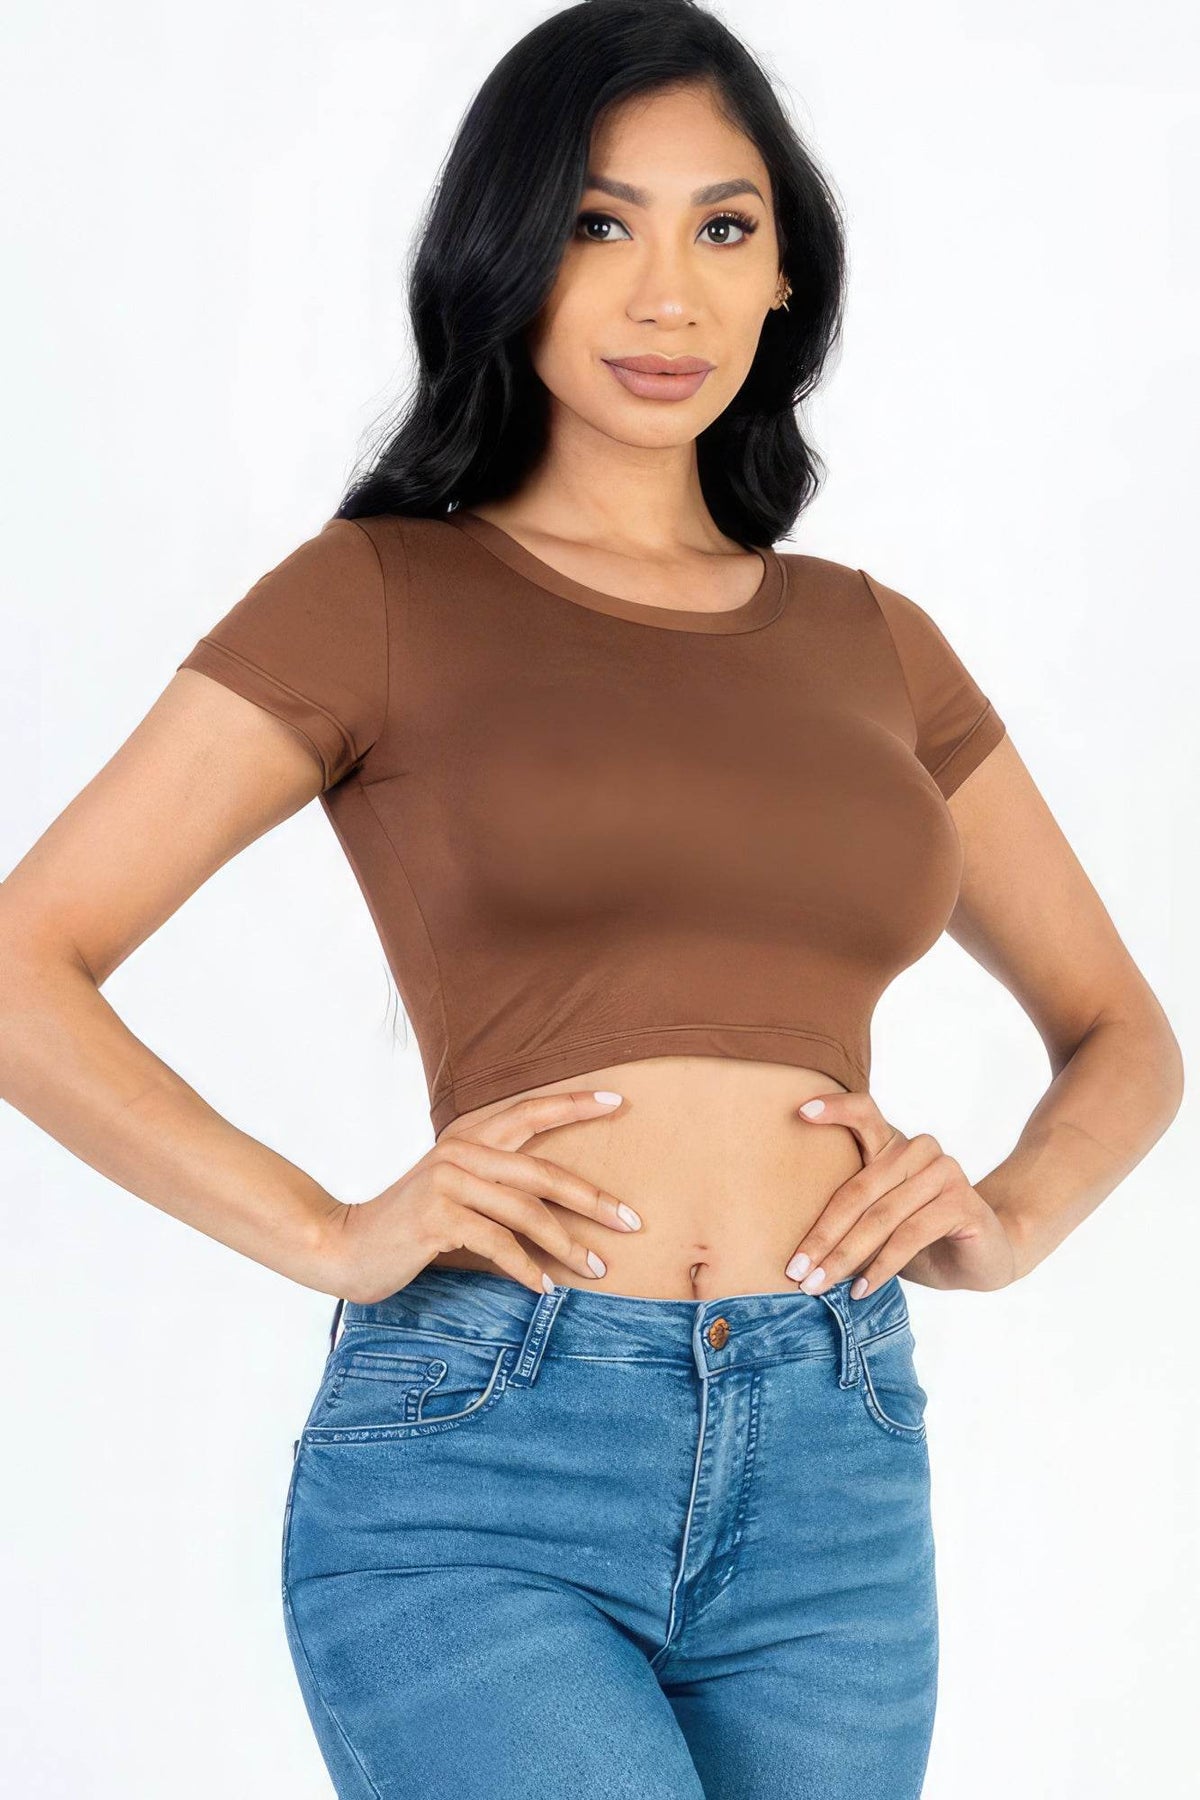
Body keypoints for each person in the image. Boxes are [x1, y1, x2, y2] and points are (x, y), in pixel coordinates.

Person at [0, 3, 1183, 1797]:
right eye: (597, 223)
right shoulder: (373, 597)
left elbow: (1122, 1031)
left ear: (785, 272)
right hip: (489, 1449)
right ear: (507, 253)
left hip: (837, 1464)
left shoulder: (872, 641)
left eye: (723, 226)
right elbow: (28, 963)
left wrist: (1012, 1217)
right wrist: (328, 1230)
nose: (666, 296)